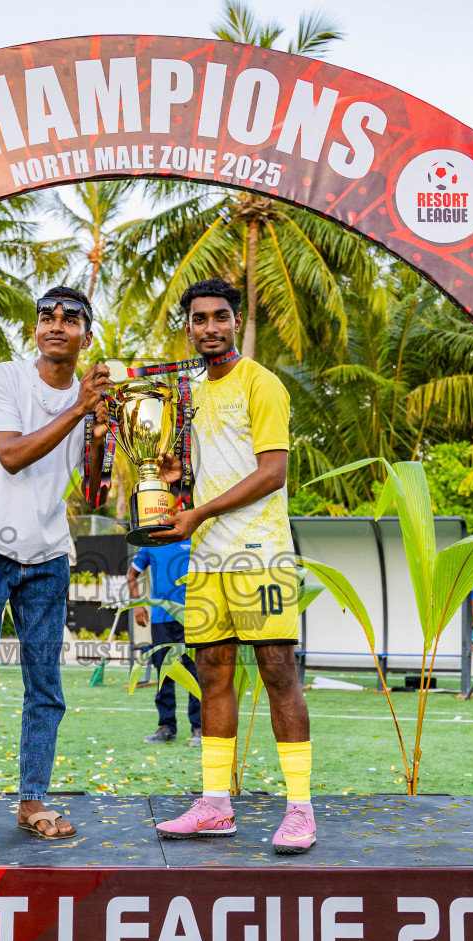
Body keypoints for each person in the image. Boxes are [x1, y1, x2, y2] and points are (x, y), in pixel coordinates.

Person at [148, 279, 316, 855]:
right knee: (212, 674)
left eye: (221, 316)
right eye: (199, 319)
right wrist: (176, 481)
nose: (210, 327)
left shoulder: (260, 383)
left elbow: (273, 472)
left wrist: (199, 512)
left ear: (236, 321)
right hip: (208, 558)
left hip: (261, 552)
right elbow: (204, 472)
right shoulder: (189, 392)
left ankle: (299, 810)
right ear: (188, 327)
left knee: (276, 672)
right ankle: (215, 806)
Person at [0, 285, 110, 853]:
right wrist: (80, 409)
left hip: (48, 556)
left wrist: (108, 430)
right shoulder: (3, 377)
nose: (56, 324)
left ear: (87, 336)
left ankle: (32, 800)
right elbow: (12, 455)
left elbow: (93, 488)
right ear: (35, 329)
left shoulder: (90, 400)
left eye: (70, 318)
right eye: (46, 316)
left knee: (46, 688)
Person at [128, 537, 201, 746]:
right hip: (161, 619)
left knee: (195, 673)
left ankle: (199, 728)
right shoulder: (152, 541)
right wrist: (137, 605)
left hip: (193, 617)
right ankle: (167, 727)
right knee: (164, 674)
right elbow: (132, 574)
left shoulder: (195, 537)